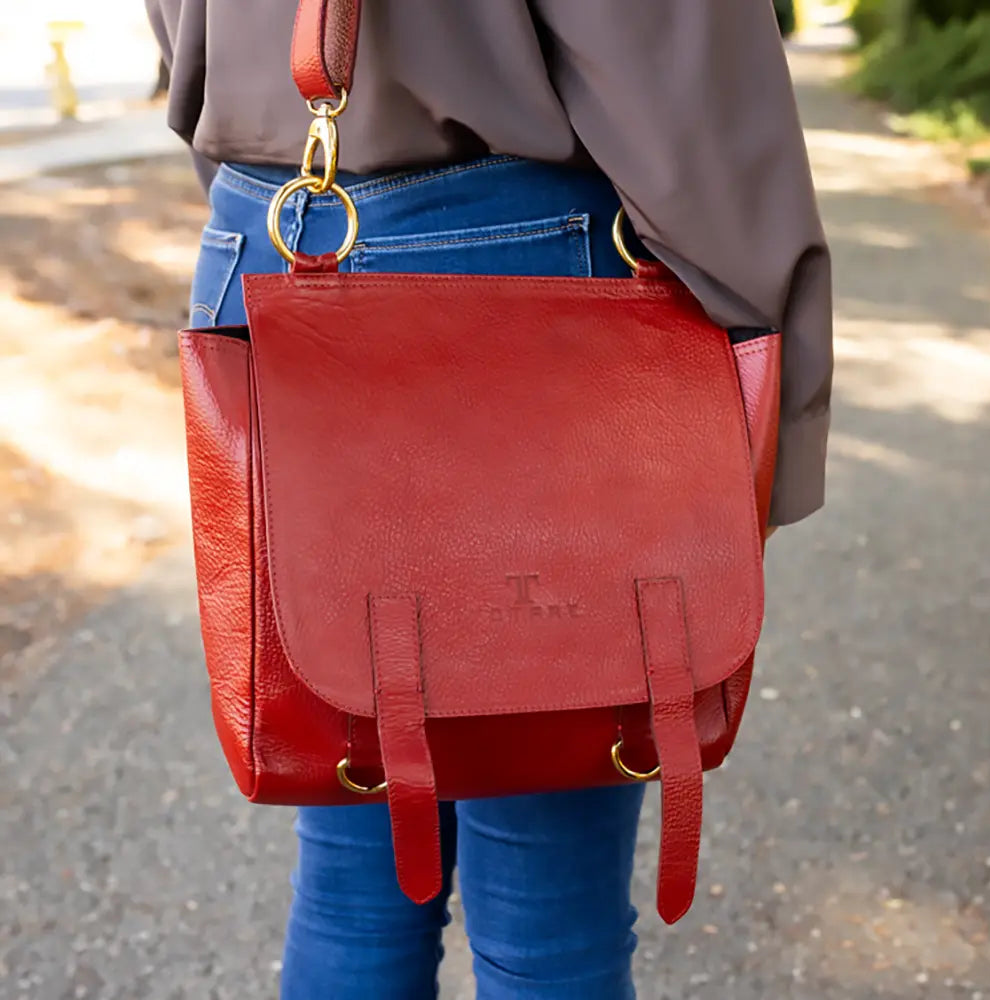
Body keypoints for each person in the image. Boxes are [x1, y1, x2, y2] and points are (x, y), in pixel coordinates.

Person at [146, 2, 832, 997]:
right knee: (547, 915)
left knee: (351, 872)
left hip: (275, 241)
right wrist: (759, 428)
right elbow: (681, 86)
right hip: (527, 277)